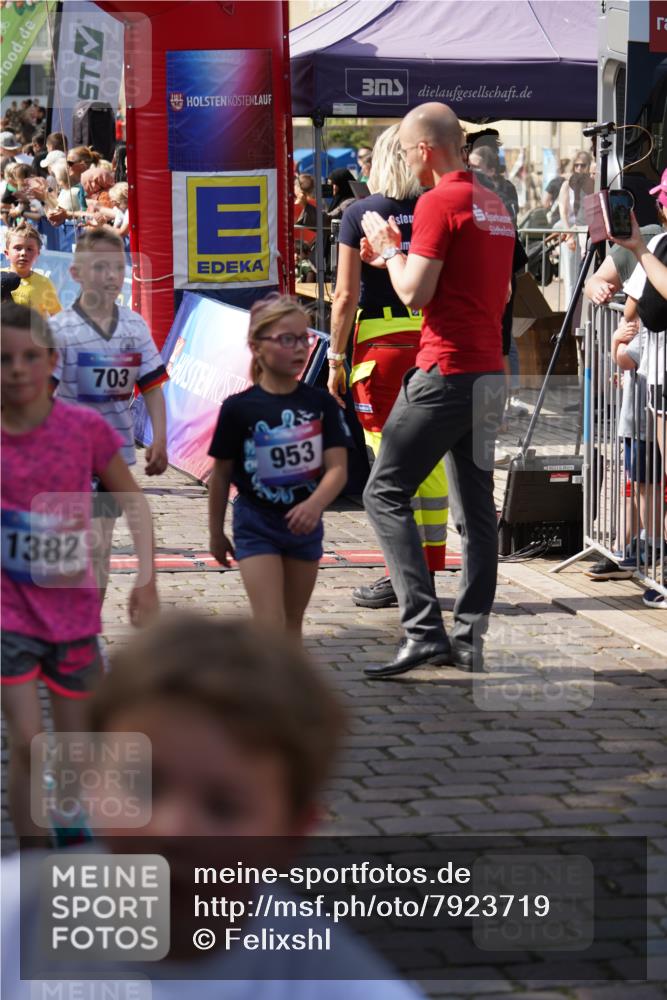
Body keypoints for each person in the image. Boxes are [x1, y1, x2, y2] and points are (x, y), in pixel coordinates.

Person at [2, 613, 426, 998]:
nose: (173, 829)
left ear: (292, 832)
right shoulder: (15, 915)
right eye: (142, 787)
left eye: (224, 807)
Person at [359, 102, 514, 677]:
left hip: (445, 371)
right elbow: (492, 294)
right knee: (476, 511)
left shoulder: (438, 201)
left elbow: (414, 294)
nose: (403, 160)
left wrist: (389, 252)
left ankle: (423, 631)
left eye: (403, 149)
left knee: (383, 491)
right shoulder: (494, 204)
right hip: (488, 371)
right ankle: (470, 637)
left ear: (424, 150)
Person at [1, 303, 159, 839]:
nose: (17, 369)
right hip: (9, 617)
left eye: (30, 357)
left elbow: (133, 502)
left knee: (77, 746)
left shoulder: (84, 430)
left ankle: (69, 838)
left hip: (71, 617)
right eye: (4, 359)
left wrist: (146, 577)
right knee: (26, 740)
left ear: (52, 362)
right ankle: (31, 853)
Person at [327, 124, 448, 609]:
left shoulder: (360, 213)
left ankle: (398, 575)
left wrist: (336, 358)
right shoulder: (437, 209)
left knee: (386, 462)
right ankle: (431, 572)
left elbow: (343, 297)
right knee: (432, 460)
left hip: (378, 348)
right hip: (430, 338)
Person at [208, 295, 351, 637]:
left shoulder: (320, 404)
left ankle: (288, 688)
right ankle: (263, 690)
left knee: (290, 628)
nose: (300, 348)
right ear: (256, 346)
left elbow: (338, 469)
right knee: (269, 625)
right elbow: (221, 474)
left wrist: (314, 505)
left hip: (304, 528)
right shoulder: (238, 408)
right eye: (287, 339)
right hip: (255, 524)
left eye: (304, 338)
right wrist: (215, 531)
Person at [51, 227, 169, 599]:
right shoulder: (59, 331)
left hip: (115, 459)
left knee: (99, 547)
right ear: (76, 274)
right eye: (99, 267)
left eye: (118, 268)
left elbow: (151, 384)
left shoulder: (134, 326)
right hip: (68, 459)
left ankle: (88, 629)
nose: (110, 276)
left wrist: (160, 438)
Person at [611, 198, 667, 609]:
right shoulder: (661, 242)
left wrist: (640, 251)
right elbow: (635, 311)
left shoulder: (654, 248)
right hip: (658, 379)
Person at [1, 222, 61, 316]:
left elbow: (57, 317)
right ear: (7, 253)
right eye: (18, 248)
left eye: (29, 249)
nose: (23, 253)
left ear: (37, 254)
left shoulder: (44, 283)